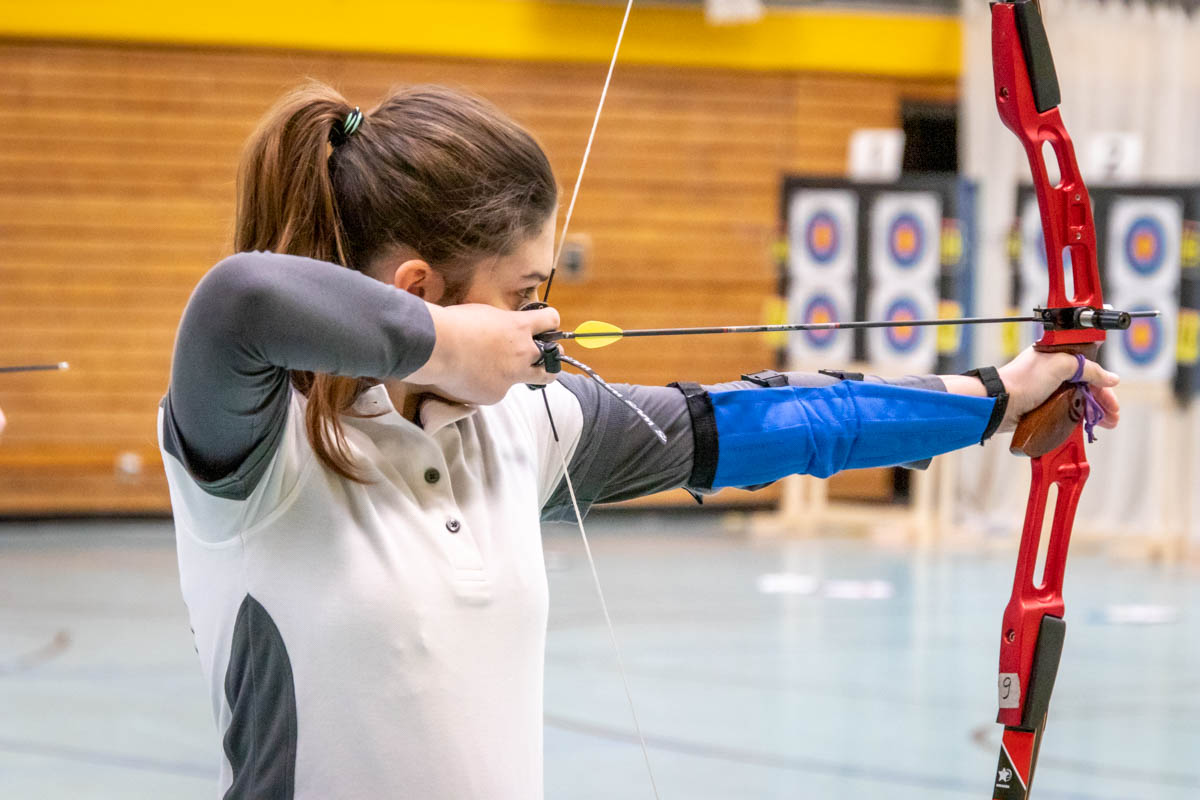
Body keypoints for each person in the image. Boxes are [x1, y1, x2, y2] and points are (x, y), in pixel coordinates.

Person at [158, 81, 1119, 800]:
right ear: (419, 293)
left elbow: (777, 422)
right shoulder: (256, 451)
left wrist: (998, 395)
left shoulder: (525, 427)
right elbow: (239, 301)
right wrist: (450, 345)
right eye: (523, 296)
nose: (545, 323)